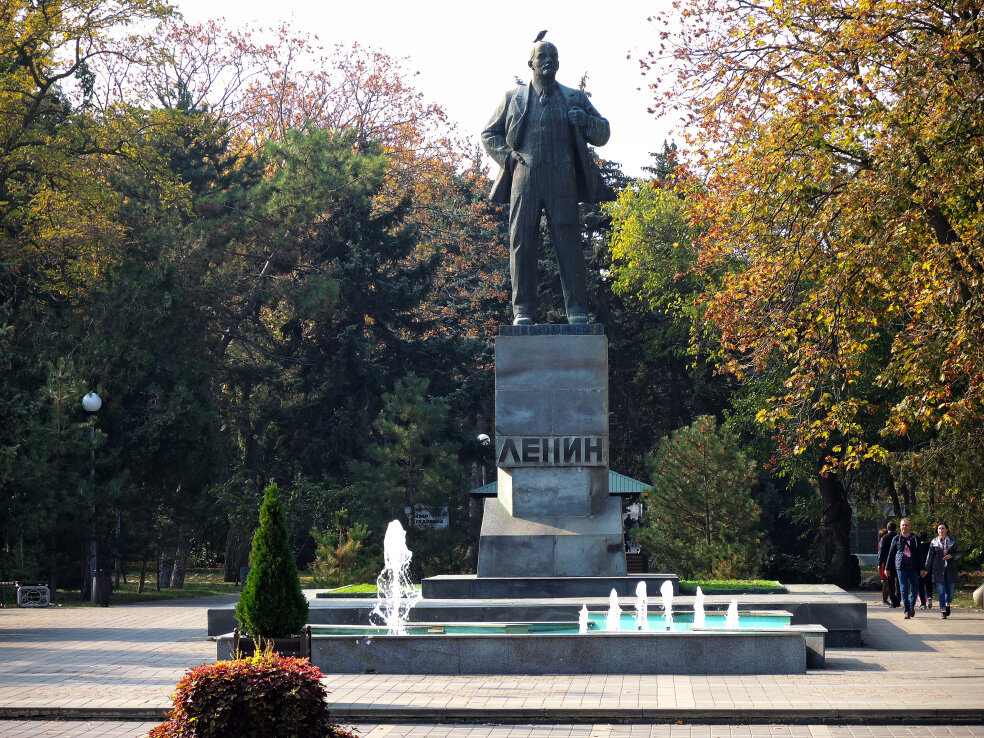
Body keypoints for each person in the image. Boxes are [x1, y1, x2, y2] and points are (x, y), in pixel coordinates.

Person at [482, 33, 612, 326]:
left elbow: (603, 132)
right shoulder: (512, 97)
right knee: (521, 243)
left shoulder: (575, 98)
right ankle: (522, 311)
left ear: (559, 63)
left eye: (553, 57)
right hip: (524, 179)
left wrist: (586, 121)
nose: (548, 61)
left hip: (563, 180)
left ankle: (577, 311)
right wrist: (509, 157)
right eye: (542, 57)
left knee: (569, 244)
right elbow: (489, 133)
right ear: (530, 63)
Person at [922, 522, 961, 619]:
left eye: (943, 528)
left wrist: (951, 556)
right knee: (941, 590)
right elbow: (930, 557)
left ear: (946, 530)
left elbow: (959, 553)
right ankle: (943, 610)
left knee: (950, 591)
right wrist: (926, 569)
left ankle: (948, 604)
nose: (941, 530)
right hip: (938, 569)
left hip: (950, 569)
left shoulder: (953, 541)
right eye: (939, 528)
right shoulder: (934, 542)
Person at [886, 518, 920, 619]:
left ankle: (911, 605)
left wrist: (922, 568)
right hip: (901, 567)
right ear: (900, 527)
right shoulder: (896, 538)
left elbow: (920, 555)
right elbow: (891, 554)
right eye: (902, 525)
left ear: (910, 526)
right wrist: (887, 568)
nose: (904, 527)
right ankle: (906, 610)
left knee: (915, 587)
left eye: (906, 525)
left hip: (913, 567)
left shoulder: (915, 538)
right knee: (903, 588)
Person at [878, 522, 900, 608]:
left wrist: (880, 563)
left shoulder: (884, 538)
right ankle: (898, 599)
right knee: (899, 582)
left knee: (890, 583)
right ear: (896, 528)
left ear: (887, 529)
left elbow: (881, 551)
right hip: (898, 562)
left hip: (888, 562)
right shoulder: (899, 537)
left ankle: (893, 601)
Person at [915, 530, 933, 610]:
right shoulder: (930, 546)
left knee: (921, 586)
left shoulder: (917, 547)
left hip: (920, 568)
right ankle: (929, 596)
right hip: (928, 568)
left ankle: (923, 603)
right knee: (929, 584)